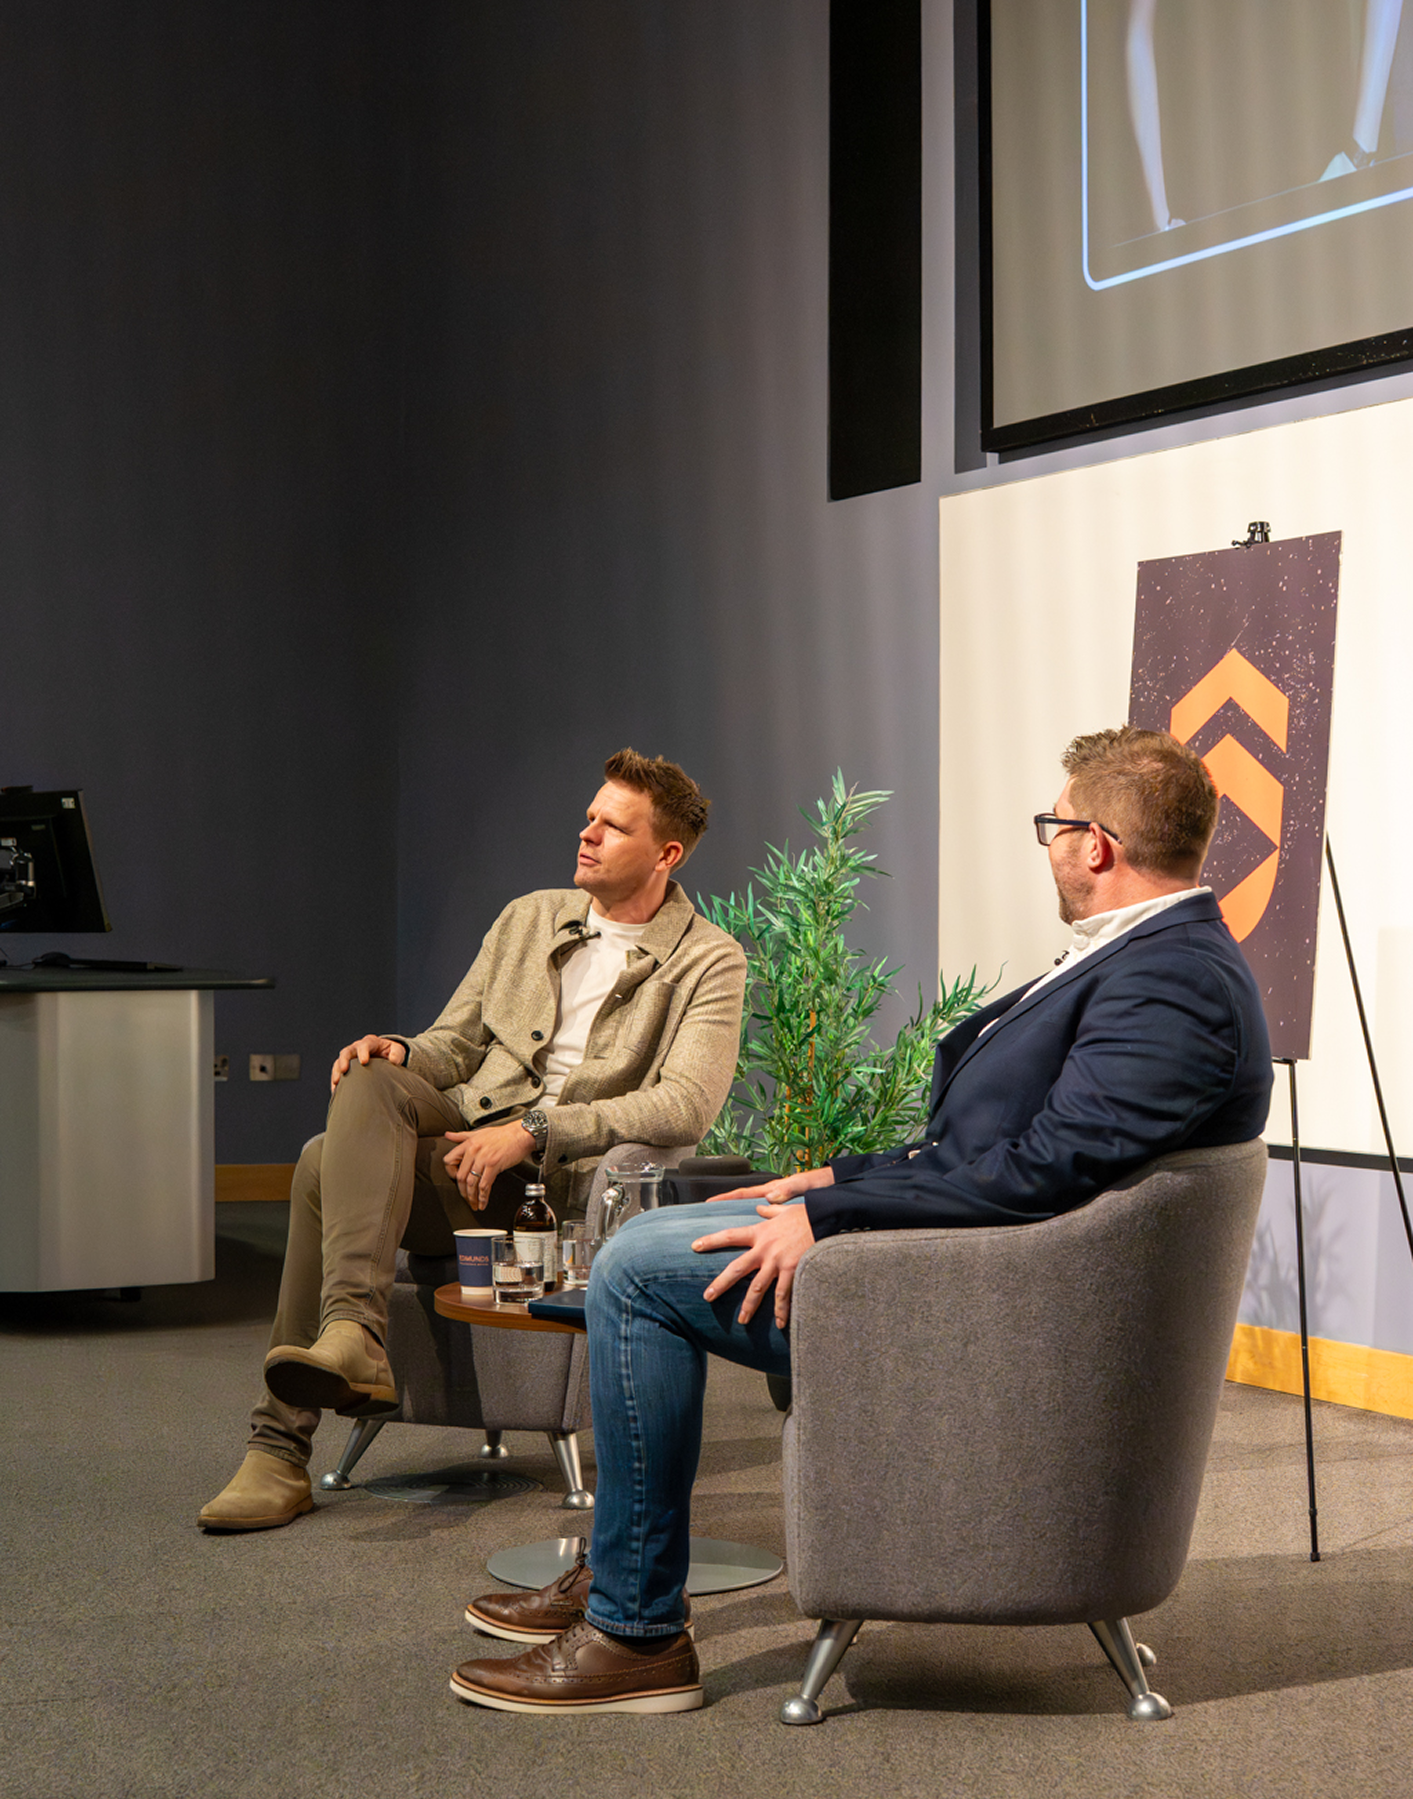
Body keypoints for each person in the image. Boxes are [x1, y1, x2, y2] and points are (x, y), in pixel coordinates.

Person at [451, 726, 1273, 1715]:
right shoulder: (1151, 958)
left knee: (634, 1271)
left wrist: (830, 1215)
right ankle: (618, 1573)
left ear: (1094, 844)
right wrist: (830, 1177)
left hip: (985, 1307)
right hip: (962, 1259)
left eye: (1052, 825)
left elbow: (1042, 1172)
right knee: (660, 1233)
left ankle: (635, 1630)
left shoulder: (1174, 981)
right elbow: (1000, 1150)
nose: (1049, 844)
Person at [199, 749, 747, 1533]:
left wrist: (533, 1130)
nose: (587, 833)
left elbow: (683, 1105)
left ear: (666, 855)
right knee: (371, 1076)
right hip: (463, 1149)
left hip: (547, 1193)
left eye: (612, 826)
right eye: (589, 816)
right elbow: (452, 1045)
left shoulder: (707, 959)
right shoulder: (528, 917)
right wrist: (397, 1049)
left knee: (320, 1161)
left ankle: (278, 1449)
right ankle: (352, 1334)